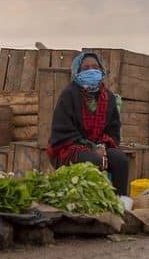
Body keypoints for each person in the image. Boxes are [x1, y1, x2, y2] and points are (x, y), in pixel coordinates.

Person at [47, 52, 129, 195]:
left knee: (120, 160)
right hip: (70, 147)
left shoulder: (108, 97)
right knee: (93, 160)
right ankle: (88, 201)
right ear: (77, 71)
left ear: (101, 70)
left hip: (99, 145)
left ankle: (119, 202)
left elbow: (113, 129)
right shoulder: (69, 94)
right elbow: (63, 130)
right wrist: (90, 147)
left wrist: (102, 146)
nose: (91, 70)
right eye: (86, 68)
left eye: (95, 67)